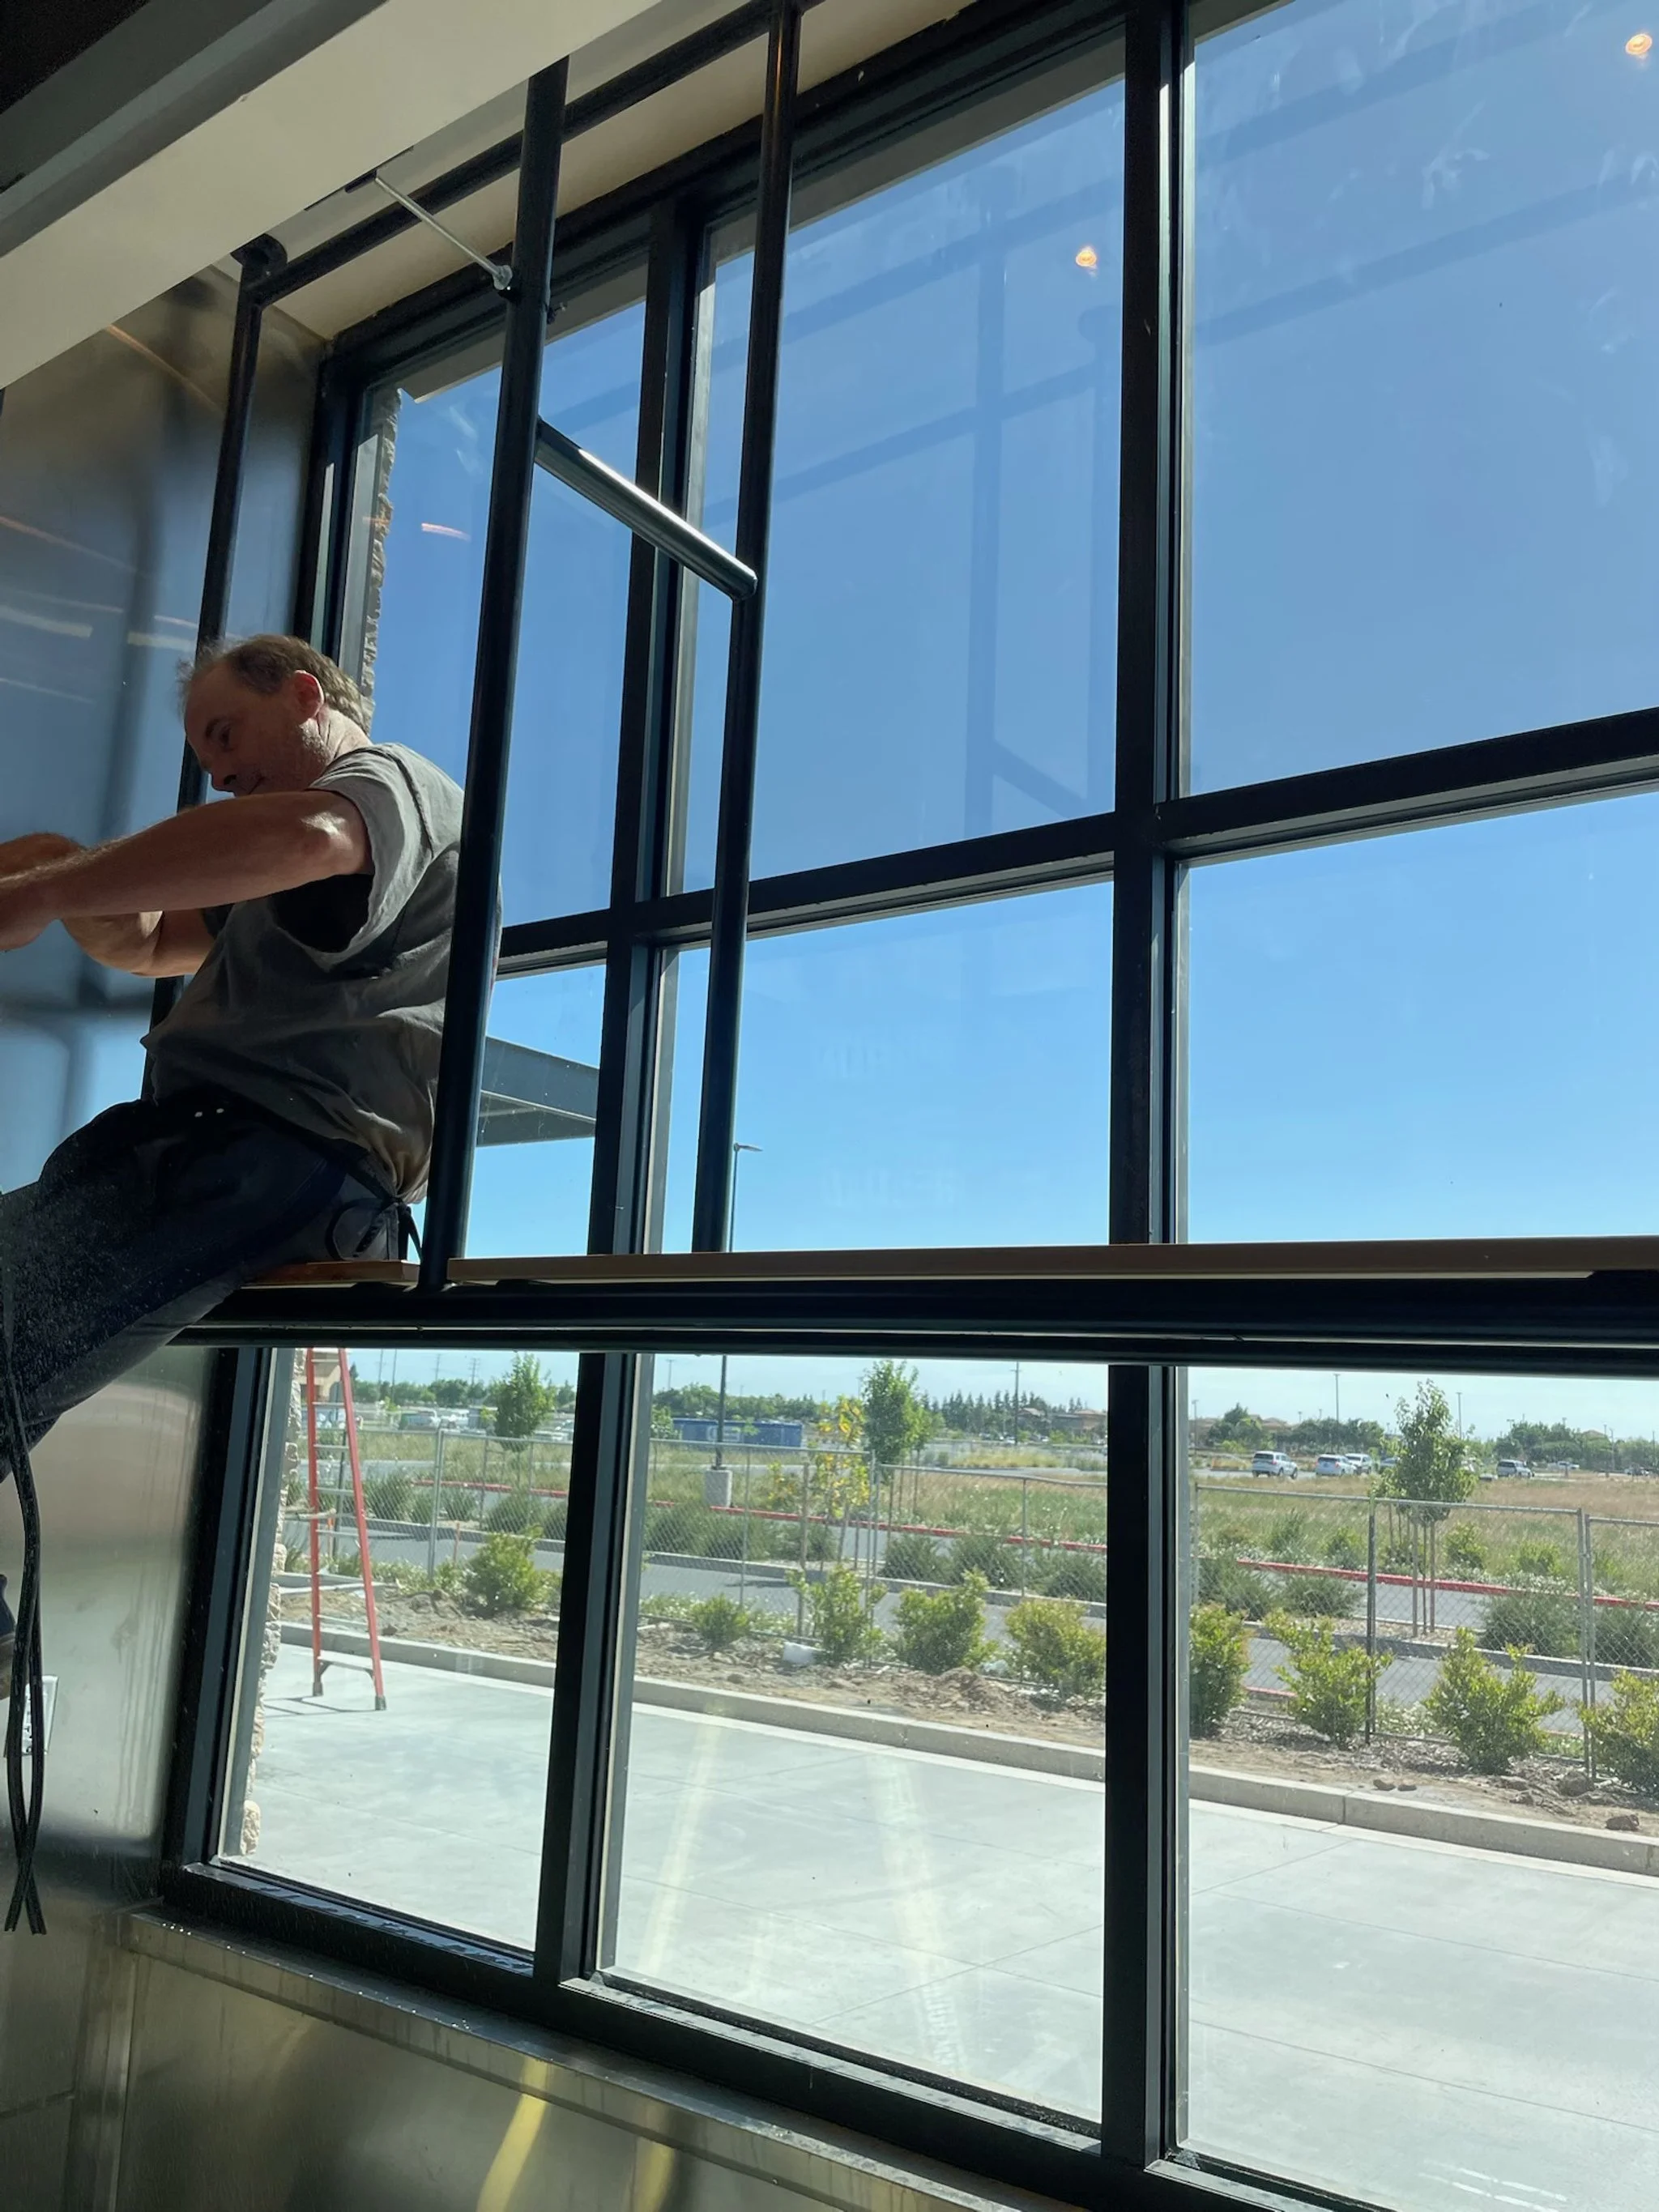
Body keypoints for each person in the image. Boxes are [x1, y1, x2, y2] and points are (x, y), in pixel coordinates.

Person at [0, 634, 463, 1689]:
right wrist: (61, 873)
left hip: (288, 1155)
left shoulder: (388, 782)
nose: (215, 765)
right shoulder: (278, 881)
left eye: (227, 732)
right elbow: (155, 939)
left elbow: (304, 832)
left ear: (306, 693)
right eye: (205, 749)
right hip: (209, 1146)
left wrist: (37, 896)